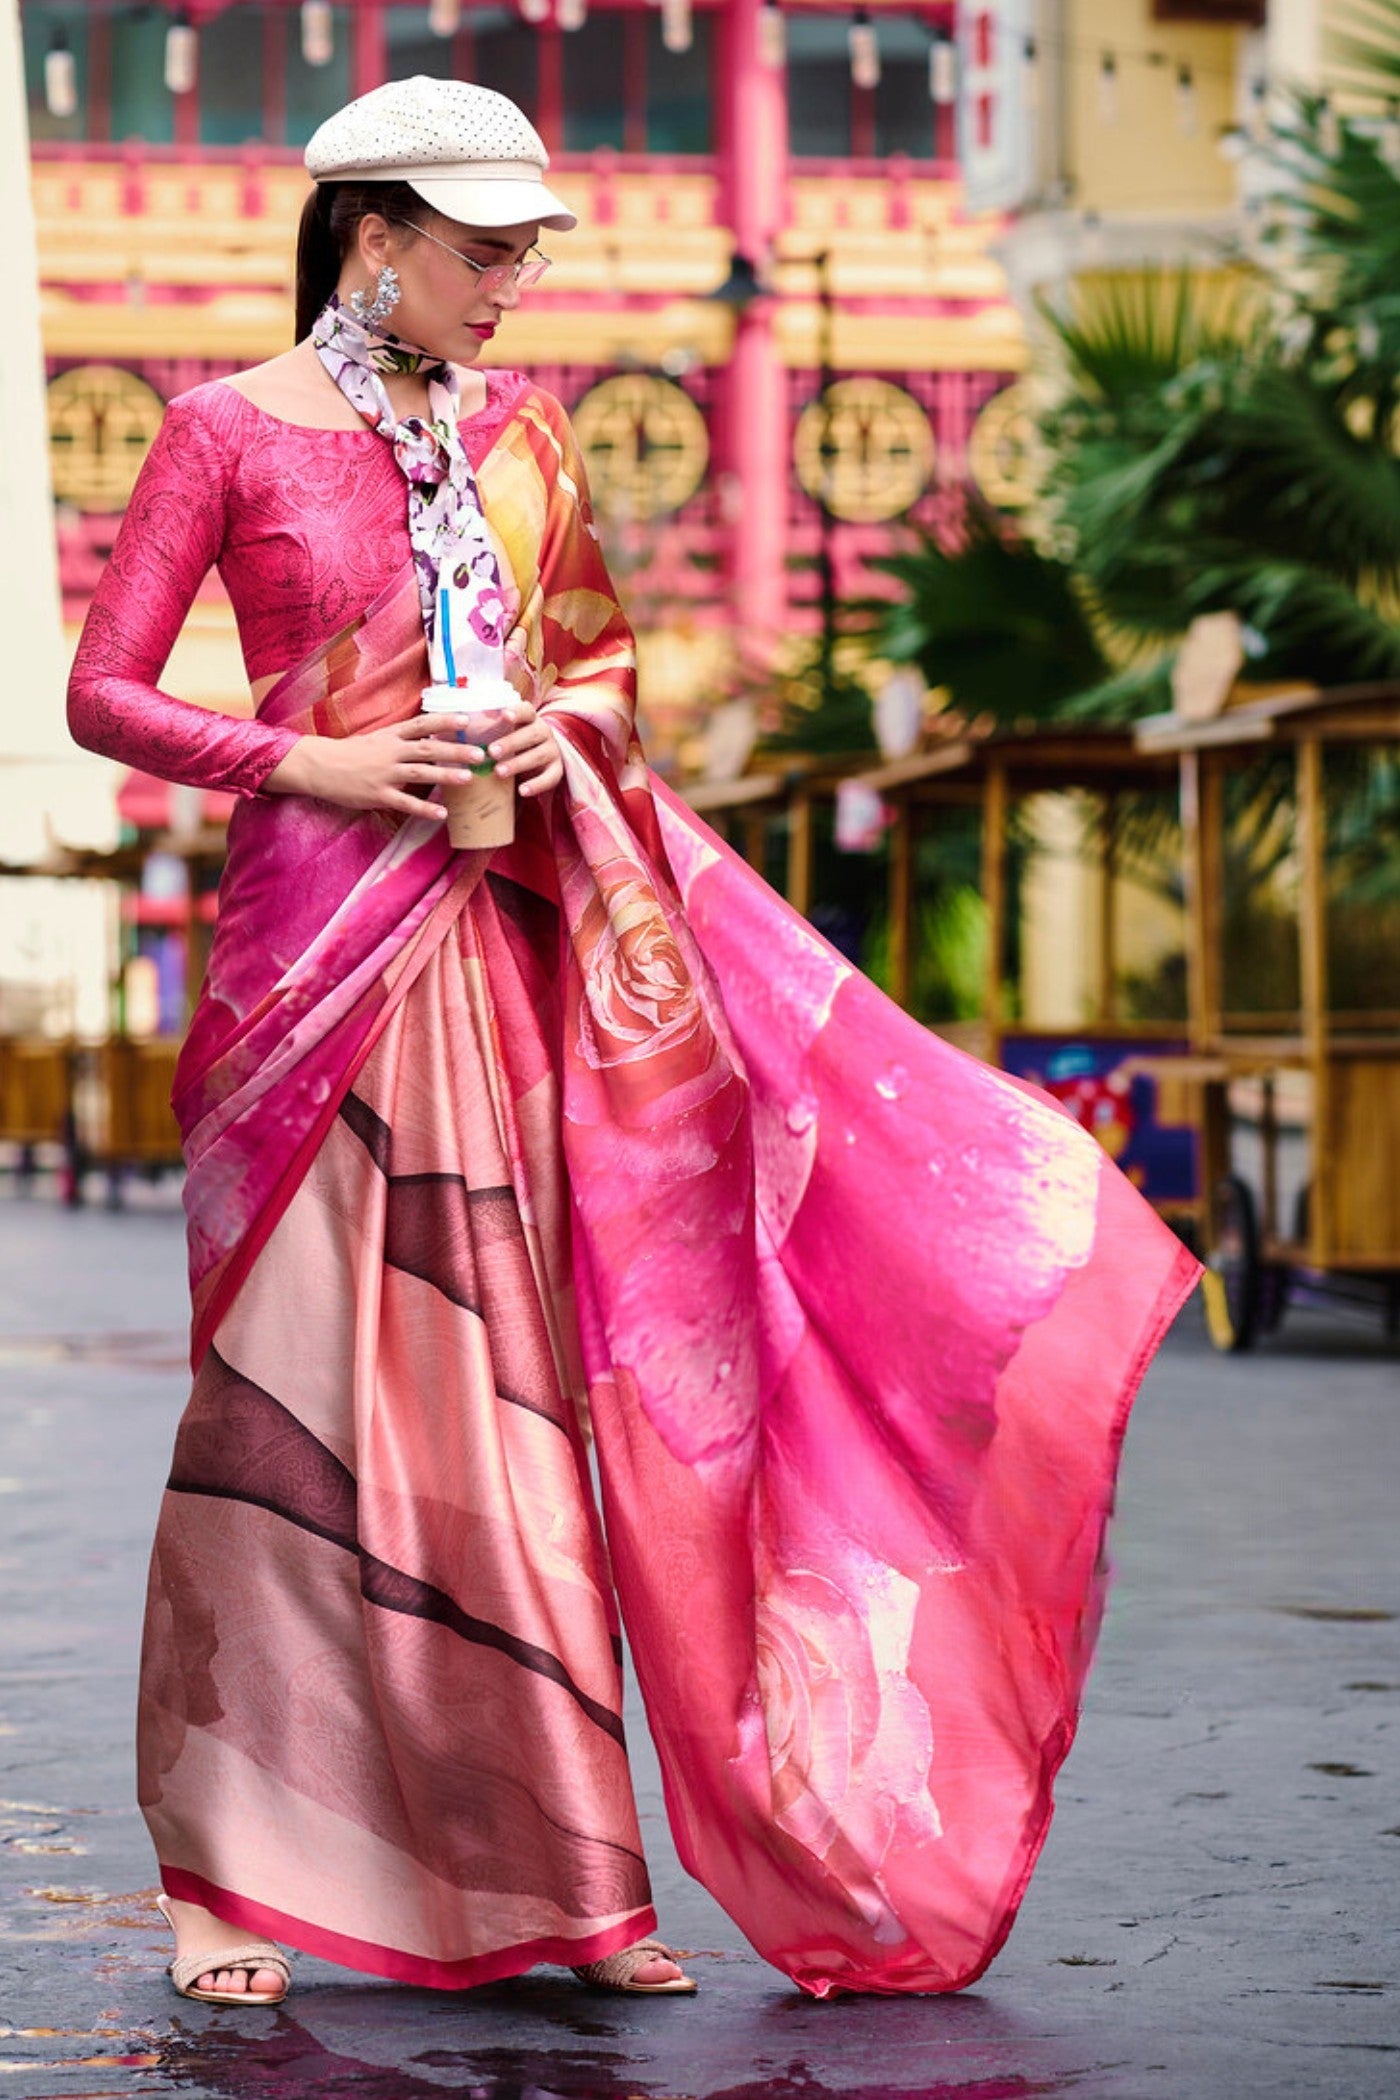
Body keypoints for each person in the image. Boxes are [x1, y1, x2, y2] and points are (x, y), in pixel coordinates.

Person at [67, 76, 1199, 2010]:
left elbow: (600, 678)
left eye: (526, 250)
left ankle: (560, 1883)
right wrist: (312, 755)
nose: (517, 284)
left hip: (496, 943)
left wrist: (546, 731)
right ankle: (228, 1878)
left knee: (504, 1397)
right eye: (487, 249)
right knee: (294, 1408)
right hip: (304, 977)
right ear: (376, 241)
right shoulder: (222, 433)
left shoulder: (524, 432)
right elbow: (104, 691)